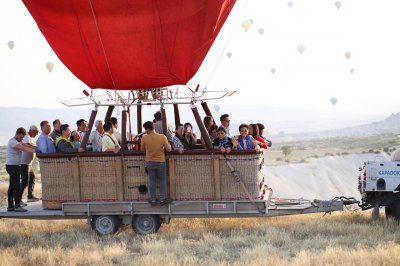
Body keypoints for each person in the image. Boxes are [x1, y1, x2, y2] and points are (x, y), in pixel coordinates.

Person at [141, 121, 172, 206]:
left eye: (145, 129)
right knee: (162, 181)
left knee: (152, 181)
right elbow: (169, 149)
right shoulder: (162, 137)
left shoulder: (144, 138)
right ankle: (162, 199)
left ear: (148, 129)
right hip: (161, 162)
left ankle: (153, 200)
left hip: (150, 162)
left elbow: (142, 150)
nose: (145, 131)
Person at [6, 127, 36, 212]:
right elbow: (23, 148)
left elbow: (26, 145)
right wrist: (35, 152)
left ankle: (10, 206)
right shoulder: (12, 141)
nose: (22, 139)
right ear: (17, 134)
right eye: (21, 137)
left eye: (23, 137)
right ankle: (17, 206)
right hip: (12, 167)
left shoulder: (18, 141)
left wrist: (36, 148)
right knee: (17, 186)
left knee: (12, 187)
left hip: (15, 166)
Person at [20, 125, 40, 203]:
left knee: (32, 179)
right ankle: (18, 199)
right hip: (23, 163)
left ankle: (30, 196)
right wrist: (36, 148)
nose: (37, 134)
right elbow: (26, 144)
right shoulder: (26, 137)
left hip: (29, 164)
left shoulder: (32, 138)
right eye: (36, 132)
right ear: (32, 130)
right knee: (25, 181)